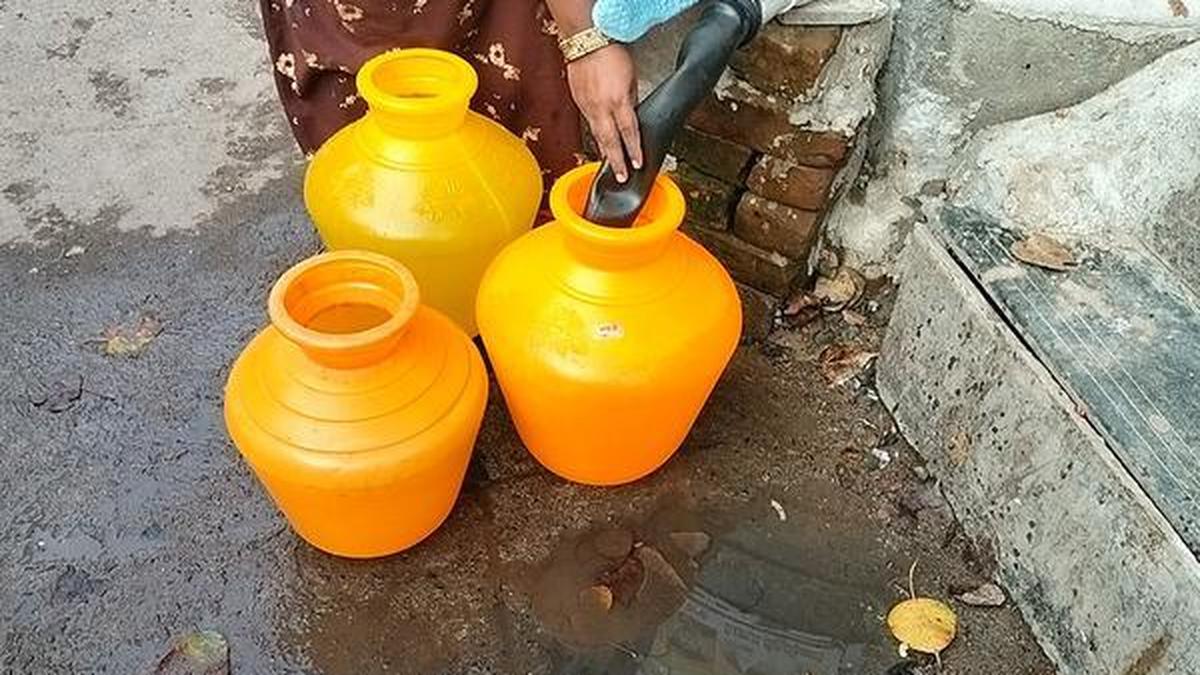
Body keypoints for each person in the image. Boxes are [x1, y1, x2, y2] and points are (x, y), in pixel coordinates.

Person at [260, 0, 644, 193]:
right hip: (340, 23)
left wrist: (584, 38)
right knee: (373, 193)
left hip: (490, 18)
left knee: (514, 193)